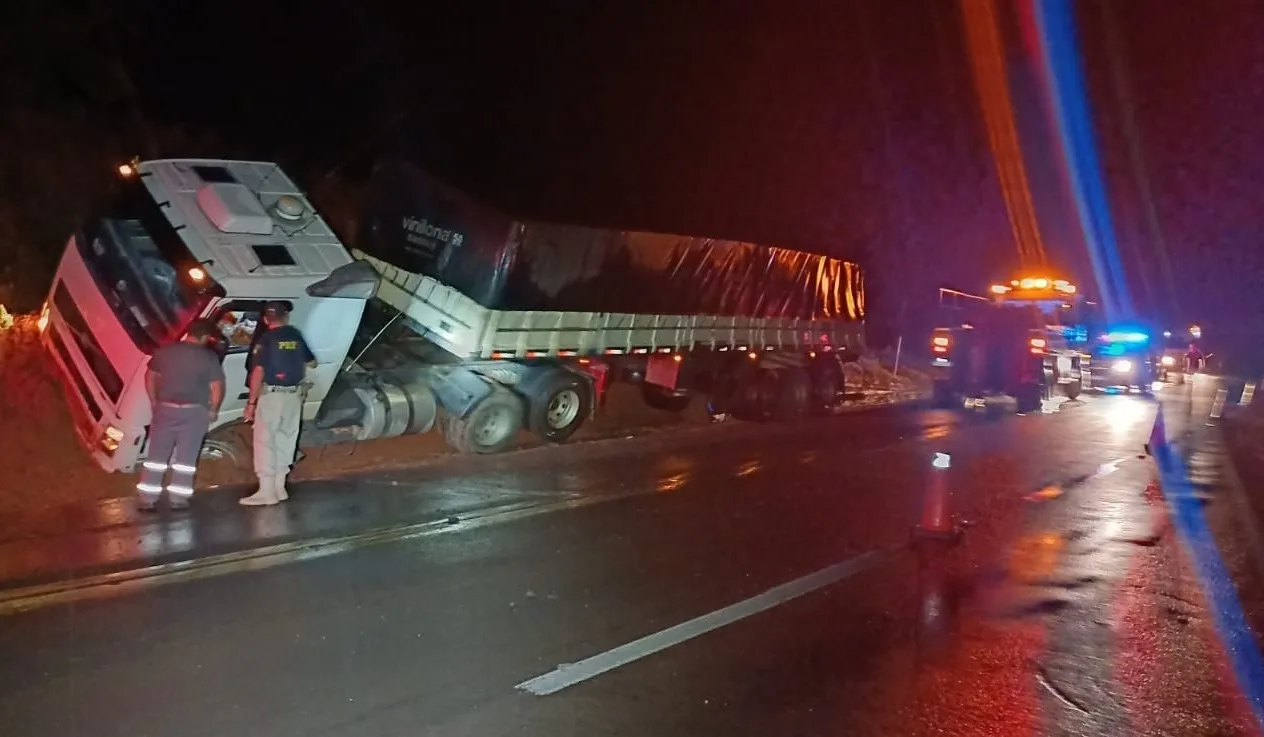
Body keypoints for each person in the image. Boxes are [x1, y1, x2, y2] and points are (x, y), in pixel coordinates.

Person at [135, 319, 225, 511]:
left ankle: (147, 499)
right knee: (186, 458)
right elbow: (216, 386)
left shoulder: (166, 351)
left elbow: (149, 375)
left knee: (156, 456)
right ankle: (178, 499)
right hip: (194, 412)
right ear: (205, 337)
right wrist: (213, 409)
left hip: (165, 409)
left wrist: (153, 400)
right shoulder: (208, 357)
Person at [239, 301, 316, 506]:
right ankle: (279, 488)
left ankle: (266, 492)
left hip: (272, 395)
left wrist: (251, 403)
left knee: (265, 441)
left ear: (265, 319)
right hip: (294, 396)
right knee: (286, 439)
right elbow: (312, 362)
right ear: (286, 317)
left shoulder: (266, 339)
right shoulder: (296, 335)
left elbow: (258, 372)